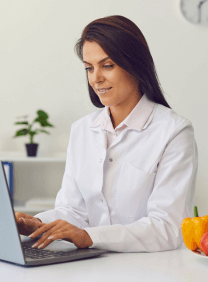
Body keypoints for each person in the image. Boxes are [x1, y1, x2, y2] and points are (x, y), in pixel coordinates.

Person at [15, 15, 198, 253]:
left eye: (107, 65)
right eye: (89, 68)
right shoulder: (82, 130)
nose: (95, 78)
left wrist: (89, 237)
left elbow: (167, 228)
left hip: (146, 270)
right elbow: (73, 211)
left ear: (134, 64)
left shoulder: (174, 132)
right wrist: (37, 224)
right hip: (88, 266)